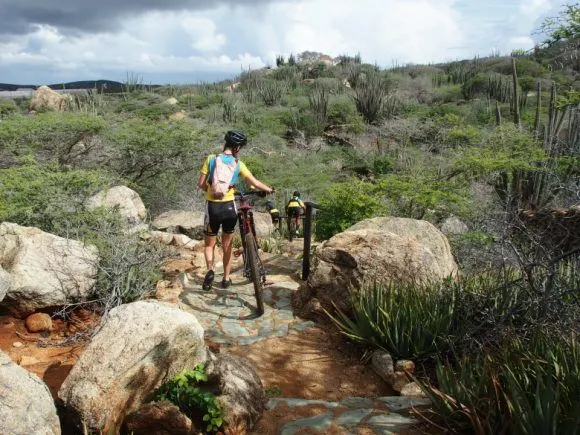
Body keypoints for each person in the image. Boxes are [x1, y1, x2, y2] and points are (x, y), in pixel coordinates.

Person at [197, 131, 274, 290]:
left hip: (212, 207)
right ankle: (226, 279)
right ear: (237, 148)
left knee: (209, 245)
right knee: (227, 246)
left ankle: (210, 269)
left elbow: (201, 184)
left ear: (225, 144)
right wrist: (270, 189)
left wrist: (210, 190)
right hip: (229, 208)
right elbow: (255, 183)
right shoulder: (238, 163)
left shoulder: (211, 159)